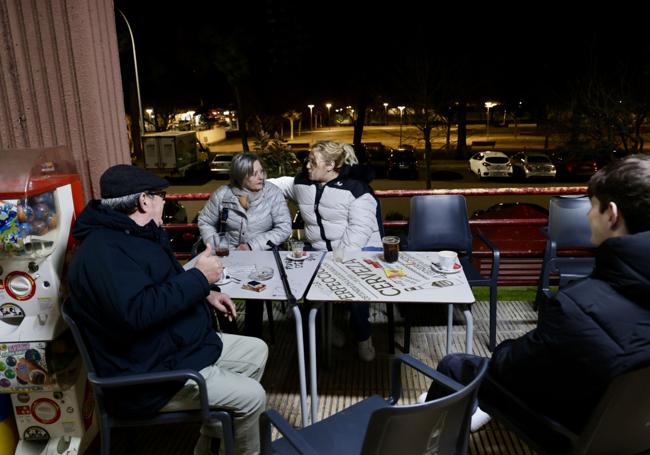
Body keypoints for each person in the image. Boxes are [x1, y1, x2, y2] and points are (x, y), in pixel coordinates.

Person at [425, 154, 650, 434]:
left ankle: (424, 438)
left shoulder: (578, 306)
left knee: (454, 365)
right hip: (631, 425)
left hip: (570, 426)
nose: (589, 215)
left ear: (612, 215)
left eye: (593, 206)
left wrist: (504, 350)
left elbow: (511, 369)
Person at [67, 164, 268, 455]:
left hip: (169, 347)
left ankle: (213, 440)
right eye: (161, 195)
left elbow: (161, 285)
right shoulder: (102, 253)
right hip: (147, 373)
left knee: (257, 350)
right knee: (252, 398)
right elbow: (137, 312)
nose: (165, 201)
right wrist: (199, 277)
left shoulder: (133, 235)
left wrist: (205, 292)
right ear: (144, 201)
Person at [268, 140, 383, 362]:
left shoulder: (357, 189)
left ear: (330, 165)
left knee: (356, 289)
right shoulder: (302, 183)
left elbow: (359, 232)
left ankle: (363, 335)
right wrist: (246, 182)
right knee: (308, 287)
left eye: (313, 162)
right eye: (307, 160)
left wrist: (337, 264)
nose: (307, 165)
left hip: (359, 247)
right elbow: (276, 184)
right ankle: (326, 327)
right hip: (321, 250)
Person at [197, 152, 291, 337]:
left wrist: (252, 245)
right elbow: (205, 221)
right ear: (240, 176)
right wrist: (217, 244)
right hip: (227, 255)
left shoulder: (272, 193)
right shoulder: (223, 194)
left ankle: (253, 337)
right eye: (253, 174)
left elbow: (284, 228)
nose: (261, 177)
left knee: (255, 290)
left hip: (260, 255)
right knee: (214, 286)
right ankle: (230, 334)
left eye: (261, 171)